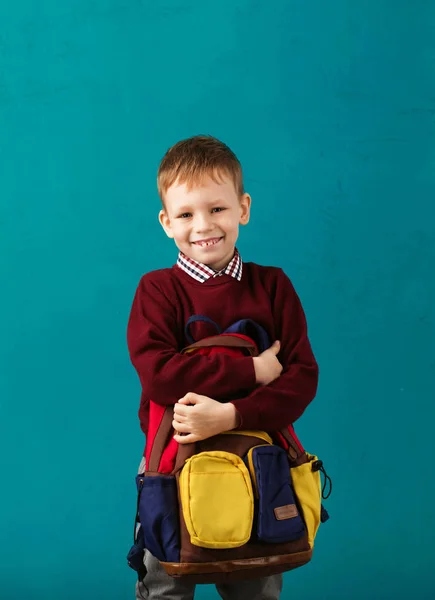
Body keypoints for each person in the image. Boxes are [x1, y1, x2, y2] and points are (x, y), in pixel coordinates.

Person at [126, 135, 319, 600]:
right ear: (166, 222)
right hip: (173, 456)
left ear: (243, 208)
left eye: (218, 209)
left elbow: (301, 380)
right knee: (168, 581)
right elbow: (160, 376)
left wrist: (231, 417)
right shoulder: (157, 291)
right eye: (187, 214)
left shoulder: (272, 286)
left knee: (254, 580)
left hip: (260, 458)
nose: (203, 226)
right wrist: (251, 372)